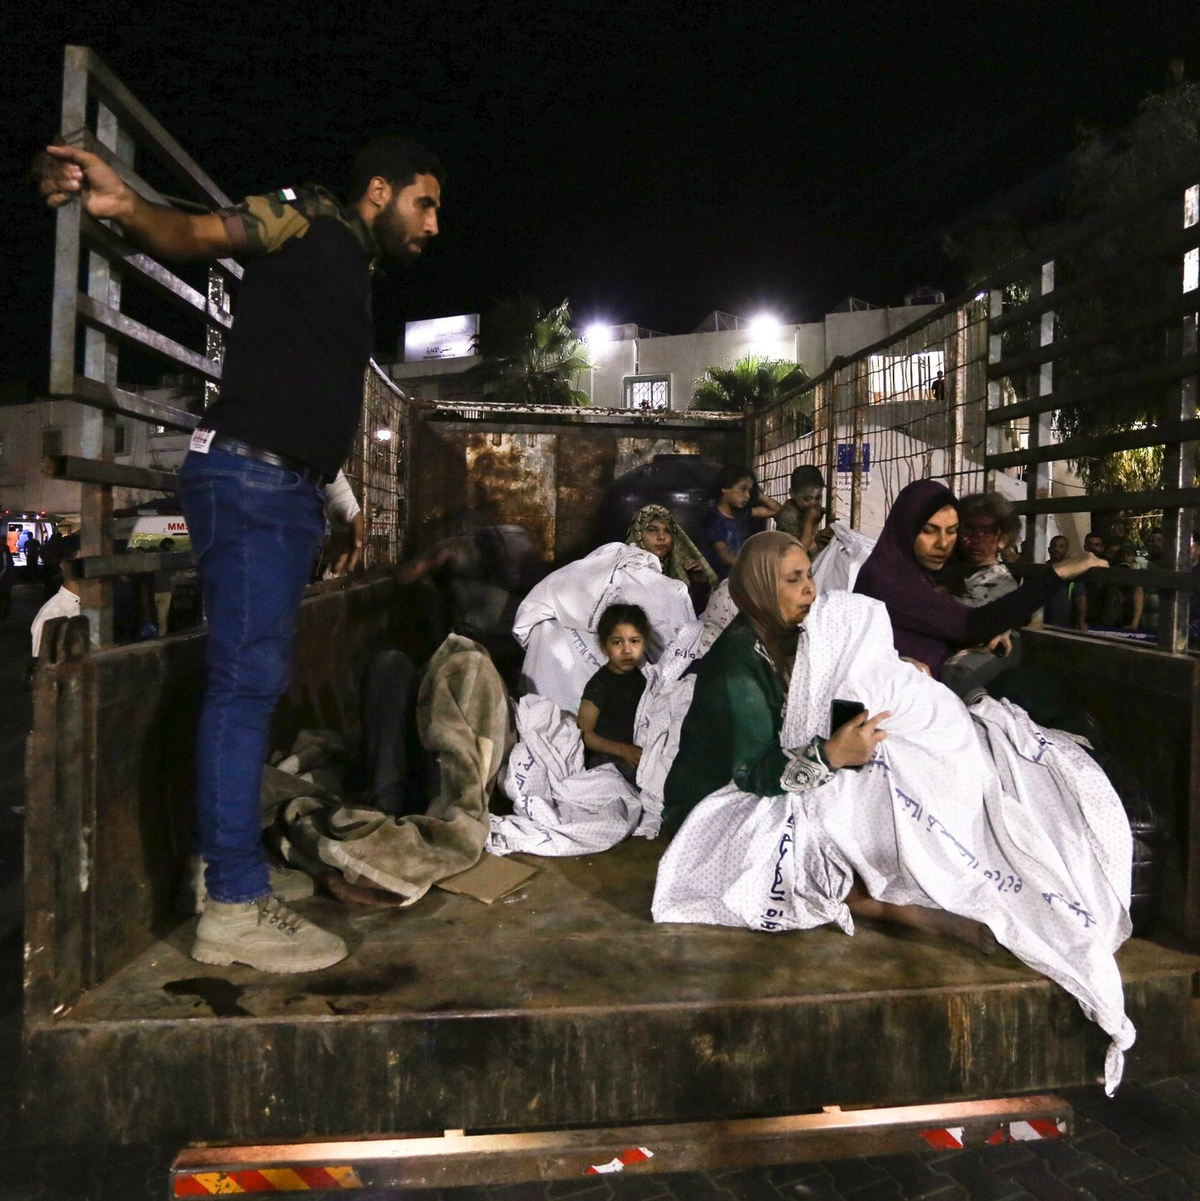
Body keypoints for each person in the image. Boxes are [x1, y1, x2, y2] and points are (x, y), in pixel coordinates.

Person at [38, 132, 442, 973]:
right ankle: (231, 904)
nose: (434, 224)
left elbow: (305, 393)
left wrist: (342, 502)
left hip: (282, 486)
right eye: (425, 203)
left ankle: (224, 871)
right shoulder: (307, 220)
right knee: (244, 684)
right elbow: (198, 233)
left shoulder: (346, 272)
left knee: (248, 682)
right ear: (380, 189)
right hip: (252, 483)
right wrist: (127, 206)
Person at [653, 531, 1136, 1091]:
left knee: (883, 782)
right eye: (792, 580)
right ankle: (887, 906)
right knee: (816, 824)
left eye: (809, 574)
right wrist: (833, 754)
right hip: (719, 802)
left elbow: (821, 682)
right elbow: (757, 774)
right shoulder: (739, 665)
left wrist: (887, 670)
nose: (811, 589)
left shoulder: (786, 634)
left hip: (774, 768)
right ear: (759, 588)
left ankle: (927, 876)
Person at [854, 479, 1104, 684]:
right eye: (929, 530)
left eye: (952, 531)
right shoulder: (891, 579)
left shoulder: (927, 571)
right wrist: (1059, 572)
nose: (943, 543)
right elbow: (972, 625)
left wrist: (999, 623)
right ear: (906, 528)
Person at [576, 603, 650, 783]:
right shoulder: (600, 685)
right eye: (617, 642)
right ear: (604, 647)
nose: (627, 650)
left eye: (634, 641)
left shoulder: (644, 678)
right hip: (607, 760)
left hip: (638, 754)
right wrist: (623, 750)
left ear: (644, 643)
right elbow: (583, 733)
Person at [697, 464, 782, 580]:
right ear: (724, 488)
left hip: (738, 574)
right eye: (743, 489)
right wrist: (756, 566)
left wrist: (758, 495)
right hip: (720, 580)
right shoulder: (714, 519)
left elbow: (777, 511)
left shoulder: (741, 514)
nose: (747, 495)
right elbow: (725, 556)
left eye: (749, 491)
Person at [625, 504, 717, 590]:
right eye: (652, 530)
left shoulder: (682, 568)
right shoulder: (624, 573)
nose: (662, 537)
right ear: (638, 534)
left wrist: (699, 583)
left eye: (667, 531)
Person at [952, 492, 1020, 607]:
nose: (975, 539)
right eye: (968, 529)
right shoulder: (952, 570)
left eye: (986, 532)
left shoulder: (1002, 583)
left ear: (1003, 539)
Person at [29, 533, 81, 658]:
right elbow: (44, 672)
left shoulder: (97, 605)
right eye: (85, 560)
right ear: (64, 565)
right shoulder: (51, 616)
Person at [773, 465, 827, 553]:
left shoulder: (809, 509)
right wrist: (809, 520)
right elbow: (800, 552)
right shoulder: (788, 516)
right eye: (807, 499)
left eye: (818, 498)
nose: (813, 504)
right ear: (792, 493)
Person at [1043, 535, 1074, 627]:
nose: (1056, 549)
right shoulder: (1040, 569)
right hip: (1042, 620)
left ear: (1067, 550)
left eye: (1061, 546)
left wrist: (1081, 620)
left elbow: (1080, 597)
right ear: (1049, 549)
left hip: (1065, 621)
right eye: (1054, 546)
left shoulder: (1073, 571)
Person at [0, 540, 14, 620]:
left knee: (4, 595)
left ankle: (6, 612)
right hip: (6, 579)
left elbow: (5, 567)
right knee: (6, 596)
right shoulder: (6, 553)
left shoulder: (4, 554)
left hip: (4, 579)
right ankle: (6, 612)